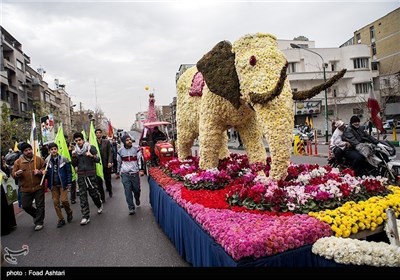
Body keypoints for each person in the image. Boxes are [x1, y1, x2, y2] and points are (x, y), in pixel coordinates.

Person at [11, 142, 46, 231]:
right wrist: (17, 174)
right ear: (23, 152)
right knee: (25, 206)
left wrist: (40, 172)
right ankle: (36, 215)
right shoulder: (18, 162)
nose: (29, 151)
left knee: (40, 205)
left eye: (30, 149)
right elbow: (13, 174)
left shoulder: (38, 159)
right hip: (25, 188)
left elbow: (44, 169)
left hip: (38, 186)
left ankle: (39, 222)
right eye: (26, 150)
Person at [71, 132, 103, 226]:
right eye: (76, 141)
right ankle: (85, 216)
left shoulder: (90, 147)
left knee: (94, 194)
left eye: (79, 140)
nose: (78, 142)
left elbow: (98, 160)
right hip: (81, 175)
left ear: (83, 139)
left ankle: (99, 204)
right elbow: (74, 164)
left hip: (90, 175)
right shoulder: (75, 151)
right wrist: (73, 157)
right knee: (82, 196)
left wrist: (91, 156)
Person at [44, 143, 73, 228]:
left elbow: (68, 172)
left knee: (64, 200)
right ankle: (61, 219)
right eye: (51, 149)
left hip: (62, 184)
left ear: (57, 149)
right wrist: (44, 173)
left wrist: (69, 182)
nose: (53, 151)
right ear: (49, 151)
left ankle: (69, 212)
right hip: (53, 185)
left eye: (55, 149)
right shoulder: (47, 161)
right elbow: (45, 175)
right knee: (56, 202)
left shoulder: (64, 159)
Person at [117, 134, 144, 215]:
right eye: (127, 140)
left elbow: (140, 160)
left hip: (135, 173)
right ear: (124, 142)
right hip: (125, 174)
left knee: (137, 189)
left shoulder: (136, 149)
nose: (129, 141)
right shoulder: (120, 151)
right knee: (127, 191)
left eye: (130, 139)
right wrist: (117, 172)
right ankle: (131, 208)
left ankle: (137, 198)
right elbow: (118, 162)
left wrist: (141, 170)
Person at [95, 128, 113, 200]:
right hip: (98, 165)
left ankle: (110, 190)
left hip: (106, 164)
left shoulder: (106, 142)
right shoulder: (93, 143)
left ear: (101, 134)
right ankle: (102, 197)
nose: (98, 134)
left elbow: (110, 153)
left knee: (107, 179)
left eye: (99, 133)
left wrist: (109, 162)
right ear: (95, 134)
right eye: (97, 133)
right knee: (99, 182)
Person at [1, 158, 17, 235]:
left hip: (4, 188)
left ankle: (9, 225)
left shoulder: (4, 166)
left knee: (6, 206)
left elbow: (7, 174)